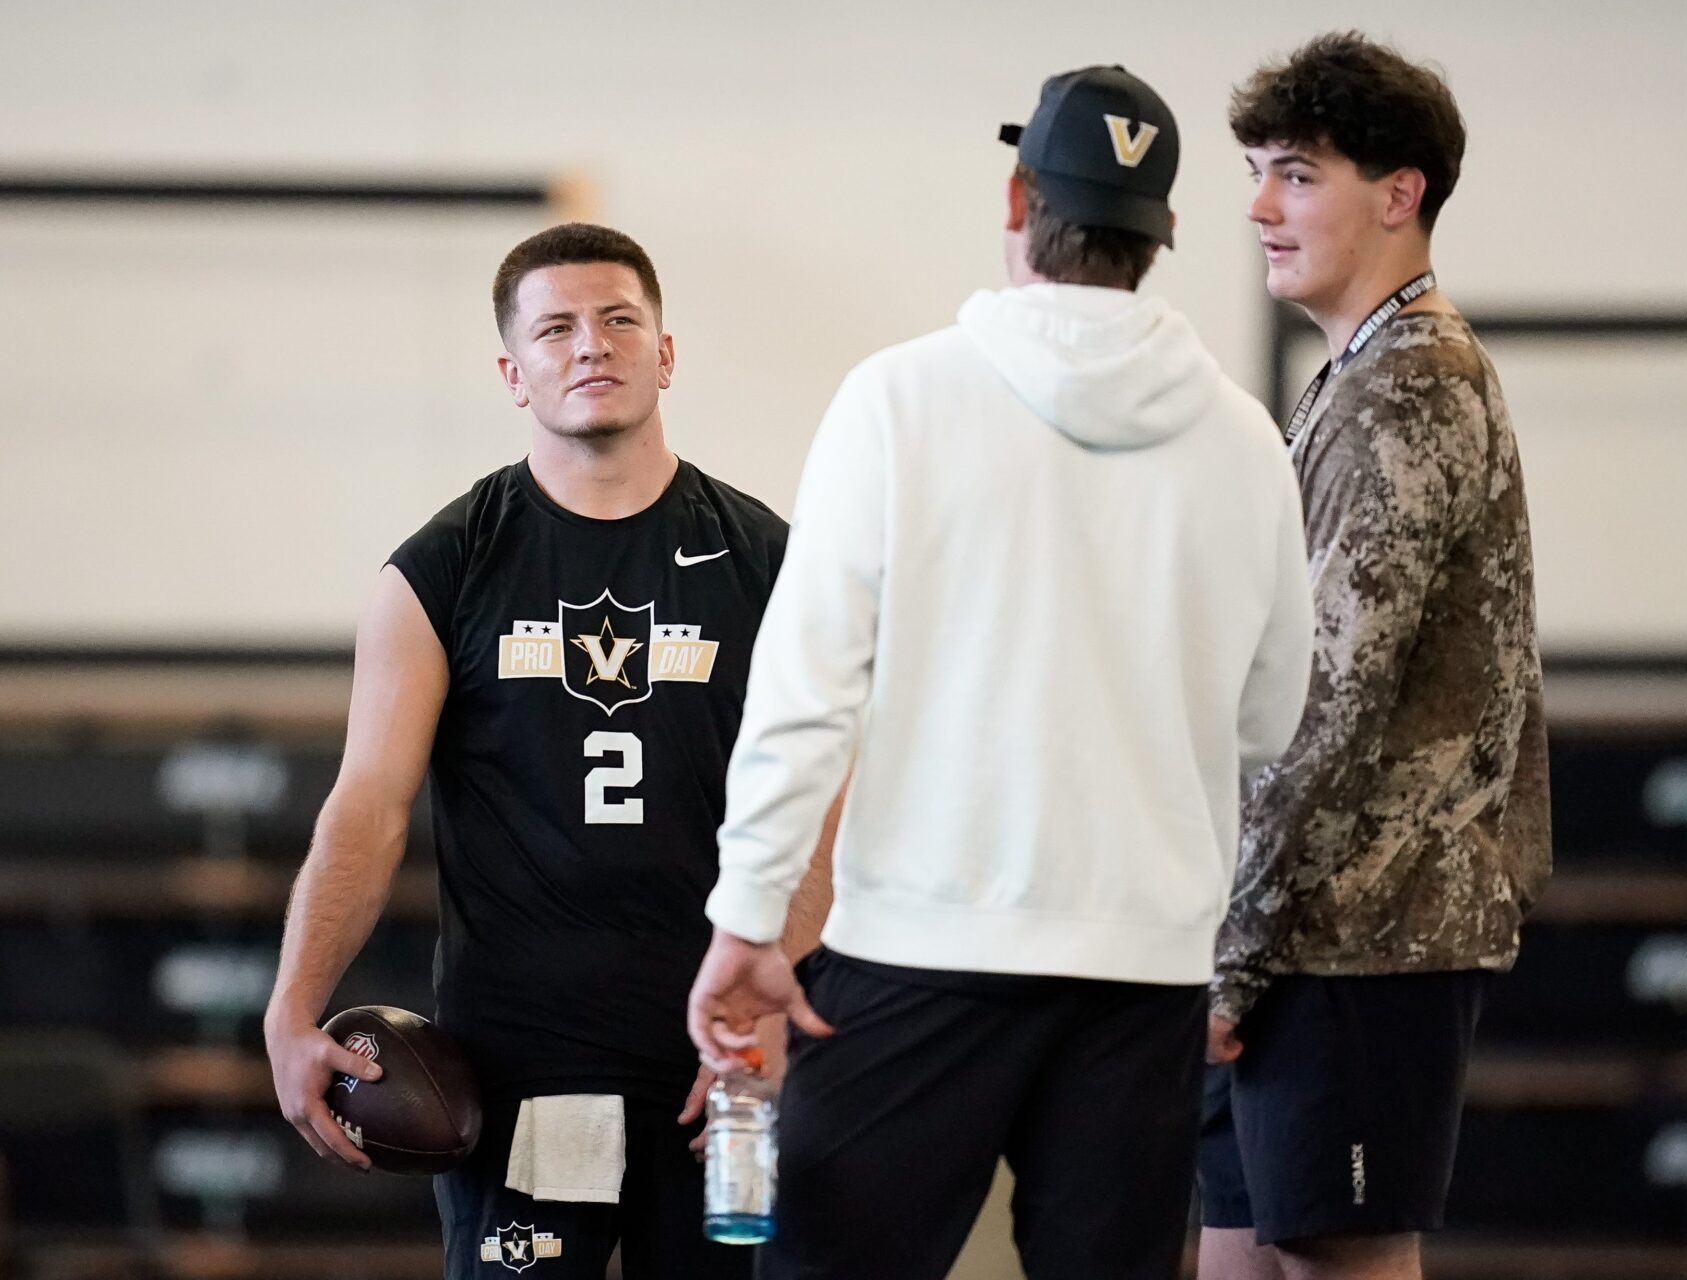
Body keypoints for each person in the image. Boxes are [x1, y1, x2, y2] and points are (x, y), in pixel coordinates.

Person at [685, 65, 1315, 1280]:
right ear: (1167, 231)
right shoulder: (1247, 439)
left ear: (1019, 197)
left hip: (923, 946)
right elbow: (1272, 715)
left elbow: (806, 693)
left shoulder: (899, 401)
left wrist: (747, 915)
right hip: (1143, 973)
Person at [263, 222, 833, 1279]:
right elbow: (369, 804)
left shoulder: (770, 563)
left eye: (621, 320)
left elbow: (826, 806)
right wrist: (292, 1003)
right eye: (557, 327)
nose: (591, 345)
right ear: (512, 371)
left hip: (715, 1059)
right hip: (521, 1067)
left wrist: (777, 1002)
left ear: (665, 352)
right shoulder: (439, 569)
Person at [1197, 33, 1553, 1280]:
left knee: (1337, 1256)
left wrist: (1231, 948)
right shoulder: (1358, 371)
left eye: (1295, 173)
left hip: (1363, 926)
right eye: (1258, 172)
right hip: (1305, 918)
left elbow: (1329, 695)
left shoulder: (1410, 382)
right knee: (1240, 1248)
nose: (1258, 206)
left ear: (1399, 193)